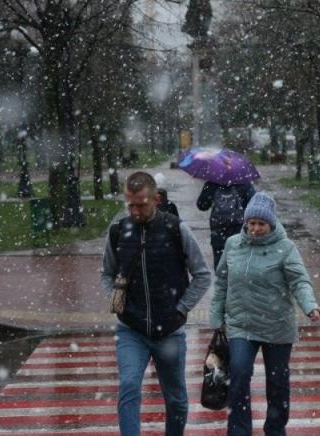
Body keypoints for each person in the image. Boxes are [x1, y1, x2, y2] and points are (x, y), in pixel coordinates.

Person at [101, 171, 212, 436]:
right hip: (131, 329)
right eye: (131, 204)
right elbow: (106, 273)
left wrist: (181, 309)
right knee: (128, 386)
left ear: (156, 199)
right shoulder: (118, 231)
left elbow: (202, 275)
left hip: (170, 330)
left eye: (142, 204)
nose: (136, 210)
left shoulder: (175, 229)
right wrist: (117, 303)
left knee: (176, 399)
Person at [209, 192, 320, 436]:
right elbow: (221, 283)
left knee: (277, 384)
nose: (256, 229)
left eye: (261, 224)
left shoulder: (286, 248)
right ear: (246, 222)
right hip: (242, 324)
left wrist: (310, 305)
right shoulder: (232, 245)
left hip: (277, 325)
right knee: (238, 375)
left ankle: (275, 429)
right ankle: (239, 430)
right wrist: (216, 317)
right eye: (252, 223)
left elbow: (299, 281)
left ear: (271, 224)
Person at [196, 181, 256, 268]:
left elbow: (202, 205)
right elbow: (253, 204)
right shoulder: (244, 182)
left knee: (220, 264)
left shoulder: (212, 182)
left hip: (218, 231)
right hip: (239, 230)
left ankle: (222, 278)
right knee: (239, 263)